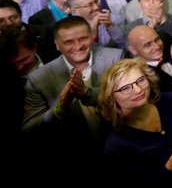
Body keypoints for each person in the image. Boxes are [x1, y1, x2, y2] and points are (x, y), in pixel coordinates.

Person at [21, 16, 124, 181]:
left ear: (91, 36)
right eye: (68, 42)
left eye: (83, 38)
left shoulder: (115, 58)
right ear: (57, 45)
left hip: (122, 149)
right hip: (74, 161)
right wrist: (61, 106)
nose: (78, 46)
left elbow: (125, 96)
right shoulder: (39, 78)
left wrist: (86, 93)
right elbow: (29, 130)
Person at [97, 58, 172, 183]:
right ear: (111, 97)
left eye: (140, 80)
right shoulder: (116, 146)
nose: (138, 90)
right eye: (126, 88)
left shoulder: (170, 99)